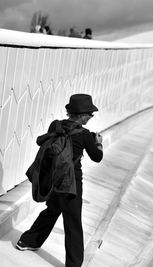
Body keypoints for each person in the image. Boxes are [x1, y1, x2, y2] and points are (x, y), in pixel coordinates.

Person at [16, 94, 103, 266]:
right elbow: (97, 157)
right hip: (71, 184)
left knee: (53, 210)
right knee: (73, 223)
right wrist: (98, 143)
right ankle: (73, 264)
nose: (91, 117)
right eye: (89, 114)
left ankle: (27, 241)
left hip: (54, 178)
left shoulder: (55, 126)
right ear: (81, 114)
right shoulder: (85, 134)